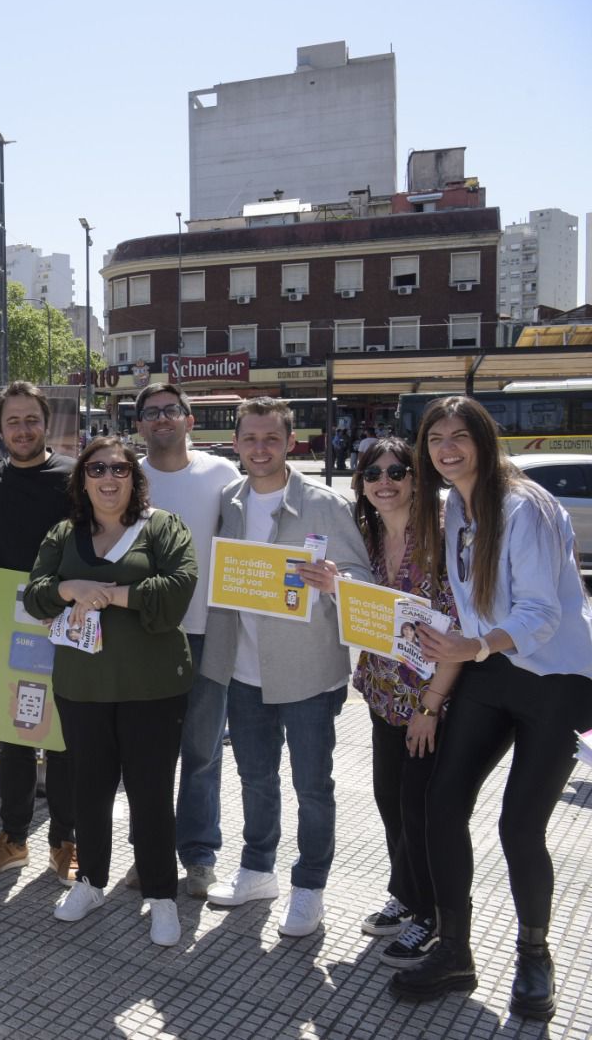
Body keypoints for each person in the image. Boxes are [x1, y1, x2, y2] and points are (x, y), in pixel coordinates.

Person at [390, 397, 592, 1020]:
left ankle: (535, 957)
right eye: (435, 439)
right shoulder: (454, 507)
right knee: (440, 803)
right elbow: (467, 609)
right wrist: (436, 695)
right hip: (490, 667)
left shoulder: (522, 505)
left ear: (483, 439)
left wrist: (473, 646)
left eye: (460, 437)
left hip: (555, 677)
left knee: (519, 825)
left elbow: (542, 612)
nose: (447, 449)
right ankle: (455, 949)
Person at [202, 397, 371, 938]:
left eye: (271, 438)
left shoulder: (323, 504)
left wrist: (335, 584)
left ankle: (309, 886)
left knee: (312, 786)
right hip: (244, 670)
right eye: (250, 438)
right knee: (254, 779)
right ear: (236, 443)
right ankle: (258, 869)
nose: (259, 448)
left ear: (290, 441)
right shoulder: (229, 499)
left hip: (307, 674)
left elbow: (362, 582)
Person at [24, 437, 196, 945]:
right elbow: (36, 596)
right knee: (89, 790)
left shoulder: (162, 528)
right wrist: (68, 590)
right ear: (82, 480)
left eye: (119, 469)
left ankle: (161, 894)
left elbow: (178, 590)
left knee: (150, 794)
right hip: (84, 687)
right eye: (96, 468)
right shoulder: (63, 534)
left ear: (133, 479)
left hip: (153, 688)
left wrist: (111, 595)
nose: (108, 478)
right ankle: (92, 880)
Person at [331, 437, 459, 969]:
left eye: (397, 471)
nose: (385, 481)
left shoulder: (443, 535)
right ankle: (406, 897)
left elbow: (457, 626)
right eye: (373, 473)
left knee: (421, 808)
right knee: (390, 802)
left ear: (415, 477)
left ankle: (433, 917)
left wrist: (430, 706)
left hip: (434, 700)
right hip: (384, 694)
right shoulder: (365, 535)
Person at [126, 382, 241, 898]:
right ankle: (147, 855)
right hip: (143, 634)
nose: (162, 419)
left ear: (190, 420)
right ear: (139, 425)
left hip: (207, 631)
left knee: (202, 751)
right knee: (146, 756)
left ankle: (198, 856)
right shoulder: (125, 476)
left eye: (172, 410)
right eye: (151, 413)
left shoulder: (222, 474)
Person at [0, 382, 78, 882]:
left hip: (68, 622)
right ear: (0, 429)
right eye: (13, 422)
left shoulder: (75, 476)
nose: (23, 429)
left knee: (64, 738)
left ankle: (66, 841)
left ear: (46, 422)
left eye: (31, 419)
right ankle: (13, 838)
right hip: (10, 624)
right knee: (14, 735)